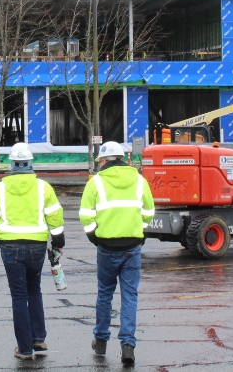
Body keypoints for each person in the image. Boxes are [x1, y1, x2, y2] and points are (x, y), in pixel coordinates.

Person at [0, 143, 65, 360]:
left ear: (11, 163)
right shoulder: (43, 187)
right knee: (34, 290)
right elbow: (55, 217)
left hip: (10, 247)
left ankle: (25, 348)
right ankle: (39, 338)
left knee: (19, 296)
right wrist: (58, 242)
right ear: (30, 163)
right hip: (37, 246)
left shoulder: (0, 188)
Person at [79, 141, 154, 365]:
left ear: (104, 160)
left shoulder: (96, 183)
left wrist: (94, 237)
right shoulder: (140, 181)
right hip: (132, 247)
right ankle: (127, 346)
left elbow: (85, 215)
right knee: (129, 296)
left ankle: (101, 340)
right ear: (123, 158)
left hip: (107, 247)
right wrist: (140, 231)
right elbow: (149, 212)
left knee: (105, 294)